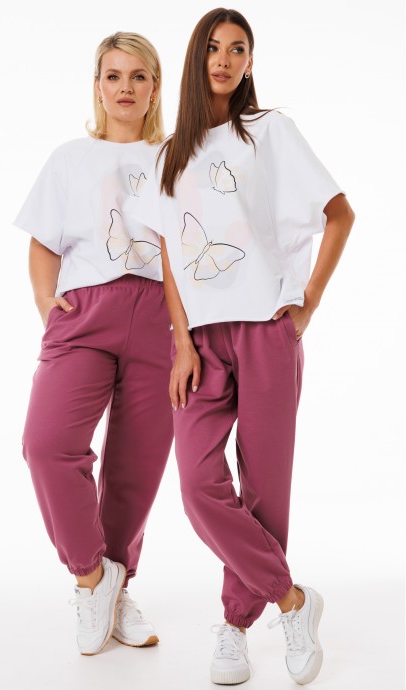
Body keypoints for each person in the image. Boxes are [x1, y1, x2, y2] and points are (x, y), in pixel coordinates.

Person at [133, 8, 355, 686]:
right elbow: (169, 257)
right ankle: (292, 601)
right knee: (199, 487)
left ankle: (234, 625)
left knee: (264, 491)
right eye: (213, 47)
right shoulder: (167, 155)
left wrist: (309, 300)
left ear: (250, 62)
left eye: (238, 49)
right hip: (201, 341)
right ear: (195, 58)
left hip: (266, 328)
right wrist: (181, 343)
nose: (225, 60)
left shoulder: (270, 132)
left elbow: (339, 213)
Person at [13, 32, 173, 656]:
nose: (125, 87)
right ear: (97, 85)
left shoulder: (175, 157)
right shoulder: (70, 158)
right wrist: (44, 303)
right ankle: (92, 577)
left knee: (137, 465)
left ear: (155, 87)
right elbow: (43, 241)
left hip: (161, 315)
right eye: (113, 76)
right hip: (84, 312)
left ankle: (119, 585)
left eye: (138, 76)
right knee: (47, 444)